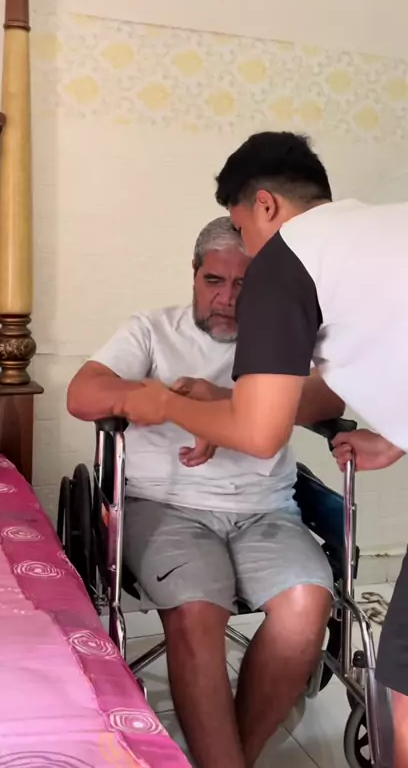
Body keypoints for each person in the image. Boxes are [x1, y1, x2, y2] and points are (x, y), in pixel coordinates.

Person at [117, 133, 408, 768]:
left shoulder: (286, 258)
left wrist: (167, 404)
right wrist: (395, 434)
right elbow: (353, 374)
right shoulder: (385, 230)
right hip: (170, 509)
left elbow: (260, 432)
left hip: (263, 509)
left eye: (244, 230)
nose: (246, 256)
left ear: (267, 206)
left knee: (404, 701)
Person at [67, 216, 344, 768]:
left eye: (245, 285)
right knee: (197, 608)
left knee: (308, 605)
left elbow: (329, 400)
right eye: (214, 280)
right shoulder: (152, 330)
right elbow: (83, 394)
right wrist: (161, 400)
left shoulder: (284, 340)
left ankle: (231, 757)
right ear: (194, 275)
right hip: (164, 506)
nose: (227, 298)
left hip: (265, 510)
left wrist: (223, 406)